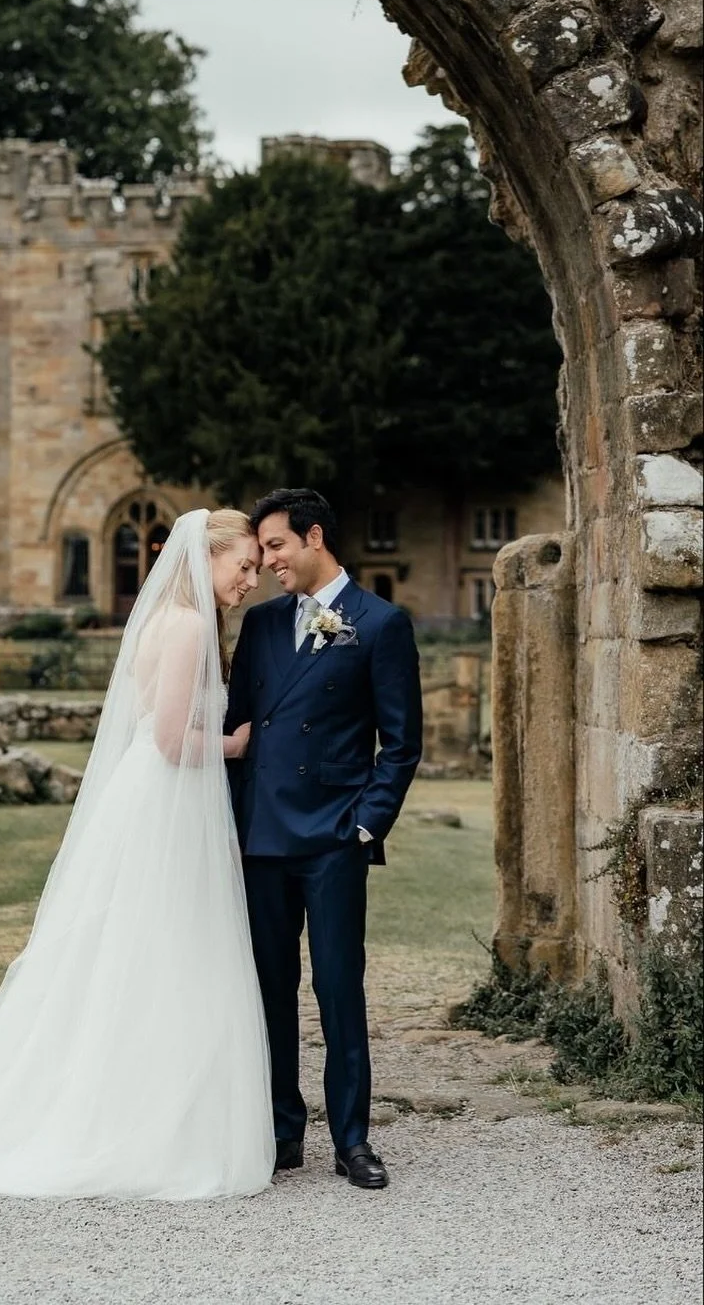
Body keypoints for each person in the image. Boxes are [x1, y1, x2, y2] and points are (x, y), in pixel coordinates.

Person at [0, 508, 275, 1200]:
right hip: (166, 798)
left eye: (252, 567)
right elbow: (170, 741)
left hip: (156, 798)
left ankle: (145, 1099)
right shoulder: (186, 625)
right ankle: (142, 1118)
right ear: (204, 557)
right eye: (242, 565)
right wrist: (236, 746)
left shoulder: (172, 620)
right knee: (165, 946)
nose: (250, 579)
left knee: (144, 947)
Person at [224, 488, 422, 1189]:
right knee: (270, 990)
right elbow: (242, 728)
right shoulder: (263, 625)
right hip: (263, 839)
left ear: (313, 538)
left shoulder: (381, 623)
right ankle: (282, 1132)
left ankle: (352, 1140)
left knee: (340, 989)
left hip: (335, 837)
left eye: (276, 546)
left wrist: (366, 823)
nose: (267, 562)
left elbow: (400, 745)